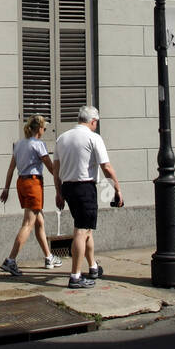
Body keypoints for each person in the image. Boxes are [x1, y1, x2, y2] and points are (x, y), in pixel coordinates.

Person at [54, 105, 123, 290]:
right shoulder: (93, 138)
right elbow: (106, 167)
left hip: (68, 187)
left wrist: (58, 192)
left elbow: (56, 170)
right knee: (81, 231)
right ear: (92, 121)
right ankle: (75, 276)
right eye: (96, 123)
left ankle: (92, 267)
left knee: (87, 229)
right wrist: (117, 188)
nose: (96, 126)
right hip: (85, 187)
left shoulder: (62, 138)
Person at [0, 114, 63, 276]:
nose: (45, 130)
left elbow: (11, 168)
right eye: (44, 128)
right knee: (28, 223)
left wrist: (6, 189)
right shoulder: (38, 145)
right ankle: (11, 260)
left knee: (38, 221)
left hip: (21, 183)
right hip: (33, 184)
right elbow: (50, 167)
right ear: (39, 129)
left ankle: (49, 257)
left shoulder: (19, 144)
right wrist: (61, 184)